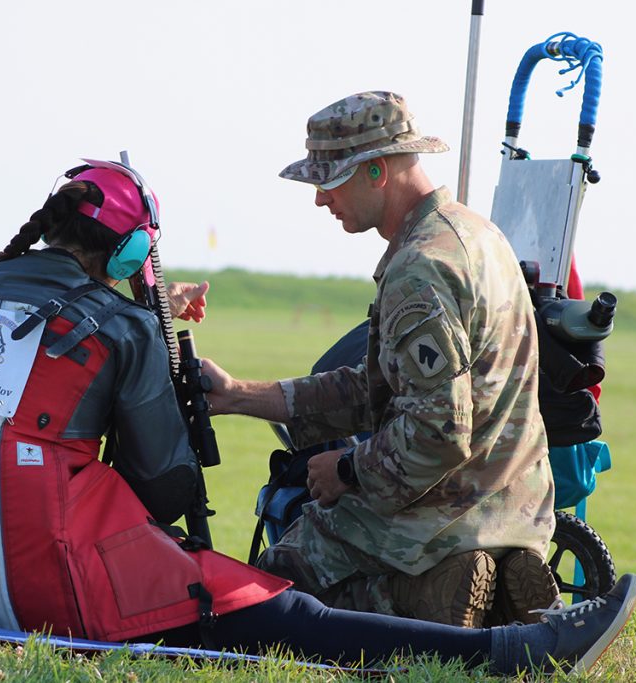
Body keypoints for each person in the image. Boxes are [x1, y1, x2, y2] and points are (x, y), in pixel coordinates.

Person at [0, 157, 636, 675]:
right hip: (48, 577)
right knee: (276, 608)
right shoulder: (122, 325)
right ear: (128, 252)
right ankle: (511, 652)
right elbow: (164, 491)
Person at [201, 91, 561, 628]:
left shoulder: (419, 269)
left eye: (328, 181)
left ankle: (417, 597)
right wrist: (239, 395)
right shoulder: (477, 235)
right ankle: (492, 578)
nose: (320, 200)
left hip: (441, 513)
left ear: (376, 171)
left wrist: (347, 469)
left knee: (276, 584)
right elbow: (382, 389)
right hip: (518, 508)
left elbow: (440, 430)